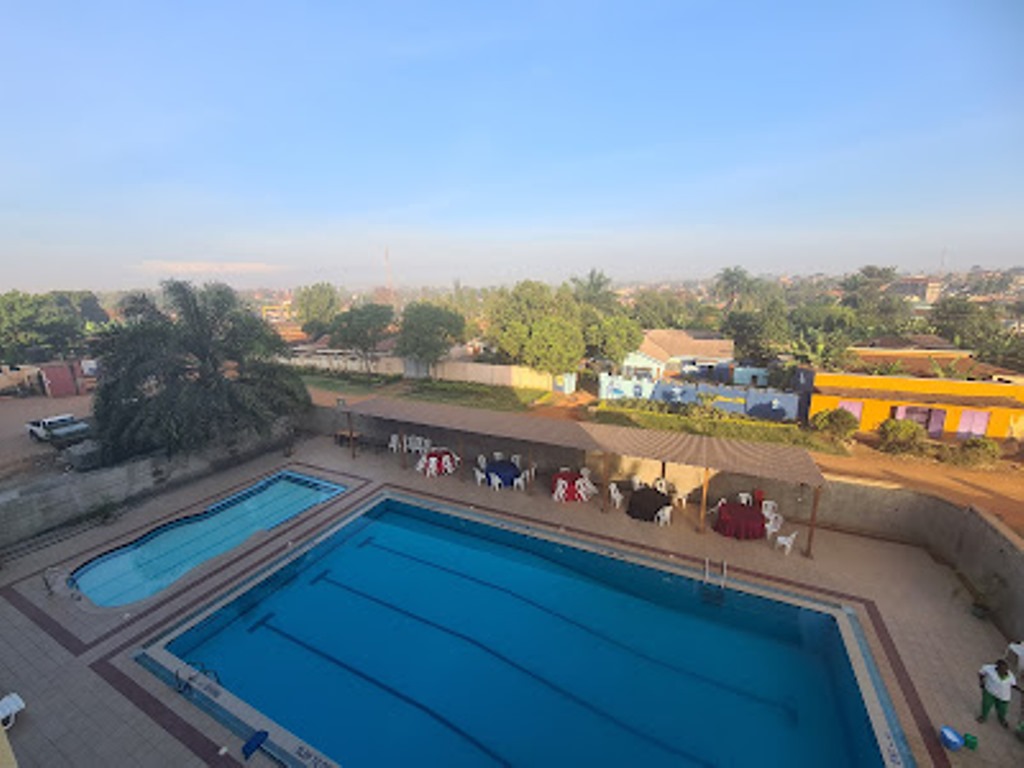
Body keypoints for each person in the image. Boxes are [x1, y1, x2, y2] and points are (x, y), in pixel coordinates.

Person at [977, 658, 1018, 727]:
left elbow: (1014, 685)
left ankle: (1002, 719)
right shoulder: (989, 669)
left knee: (1003, 709)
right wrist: (981, 682)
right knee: (986, 705)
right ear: (997, 668)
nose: (1004, 671)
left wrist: (1021, 690)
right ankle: (983, 717)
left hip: (1003, 696)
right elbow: (981, 673)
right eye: (1002, 670)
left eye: (1005, 670)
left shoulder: (1011, 676)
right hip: (990, 691)